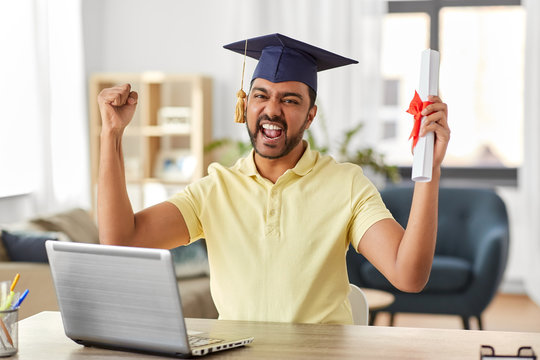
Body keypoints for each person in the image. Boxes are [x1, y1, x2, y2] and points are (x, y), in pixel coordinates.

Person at [97, 33, 450, 325]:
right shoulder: (215, 189)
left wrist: (429, 172)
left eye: (290, 100)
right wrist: (111, 134)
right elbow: (120, 240)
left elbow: (409, 275)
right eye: (260, 95)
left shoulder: (346, 185)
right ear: (246, 104)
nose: (271, 110)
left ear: (311, 116)